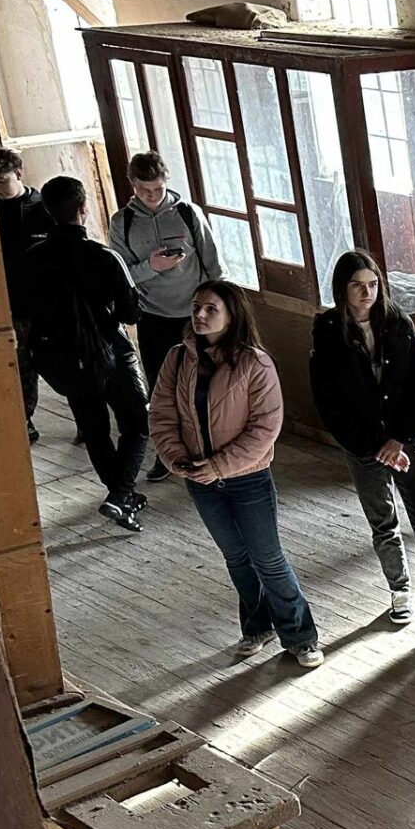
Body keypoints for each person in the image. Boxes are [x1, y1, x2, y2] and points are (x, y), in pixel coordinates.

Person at [309, 250, 415, 633]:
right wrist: (378, 447)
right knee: (383, 523)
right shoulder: (328, 331)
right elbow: (330, 404)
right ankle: (399, 591)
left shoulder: (396, 321)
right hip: (364, 447)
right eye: (357, 285)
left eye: (373, 285)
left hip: (406, 438)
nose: (367, 293)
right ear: (342, 289)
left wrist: (400, 439)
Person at [151, 281, 322, 668]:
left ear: (232, 315)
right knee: (236, 558)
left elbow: (265, 429)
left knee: (268, 559)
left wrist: (217, 466)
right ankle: (257, 627)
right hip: (199, 481)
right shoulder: (177, 358)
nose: (199, 314)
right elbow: (161, 416)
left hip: (248, 478)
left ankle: (301, 636)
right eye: (196, 306)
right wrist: (178, 460)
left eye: (211, 308)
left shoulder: (254, 363)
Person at [22, 175, 149, 531]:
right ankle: (121, 494)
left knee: (94, 429)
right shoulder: (104, 256)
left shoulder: (31, 260)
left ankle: (121, 497)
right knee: (137, 423)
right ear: (83, 208)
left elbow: (26, 309)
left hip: (62, 357)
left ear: (48, 212)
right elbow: (131, 313)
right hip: (111, 351)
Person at [109, 152, 223, 482]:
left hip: (196, 314)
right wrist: (152, 266)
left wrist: (221, 308)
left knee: (208, 383)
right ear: (132, 185)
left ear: (166, 182)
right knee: (162, 389)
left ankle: (212, 449)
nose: (151, 195)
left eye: (157, 189)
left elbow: (214, 264)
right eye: (144, 190)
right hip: (153, 315)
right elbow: (122, 275)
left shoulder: (188, 213)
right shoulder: (122, 223)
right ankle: (167, 453)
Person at [0, 146, 49, 441]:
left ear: (19, 174)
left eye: (2, 181)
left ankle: (84, 419)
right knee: (21, 364)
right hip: (11, 302)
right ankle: (25, 419)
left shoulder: (42, 208)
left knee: (58, 361)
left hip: (46, 301)